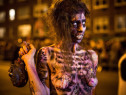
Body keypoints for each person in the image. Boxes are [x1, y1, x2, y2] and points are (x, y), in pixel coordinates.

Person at [9, 0, 98, 95]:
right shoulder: (47, 54)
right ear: (61, 25)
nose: (81, 29)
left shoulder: (91, 56)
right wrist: (29, 61)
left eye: (83, 23)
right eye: (75, 24)